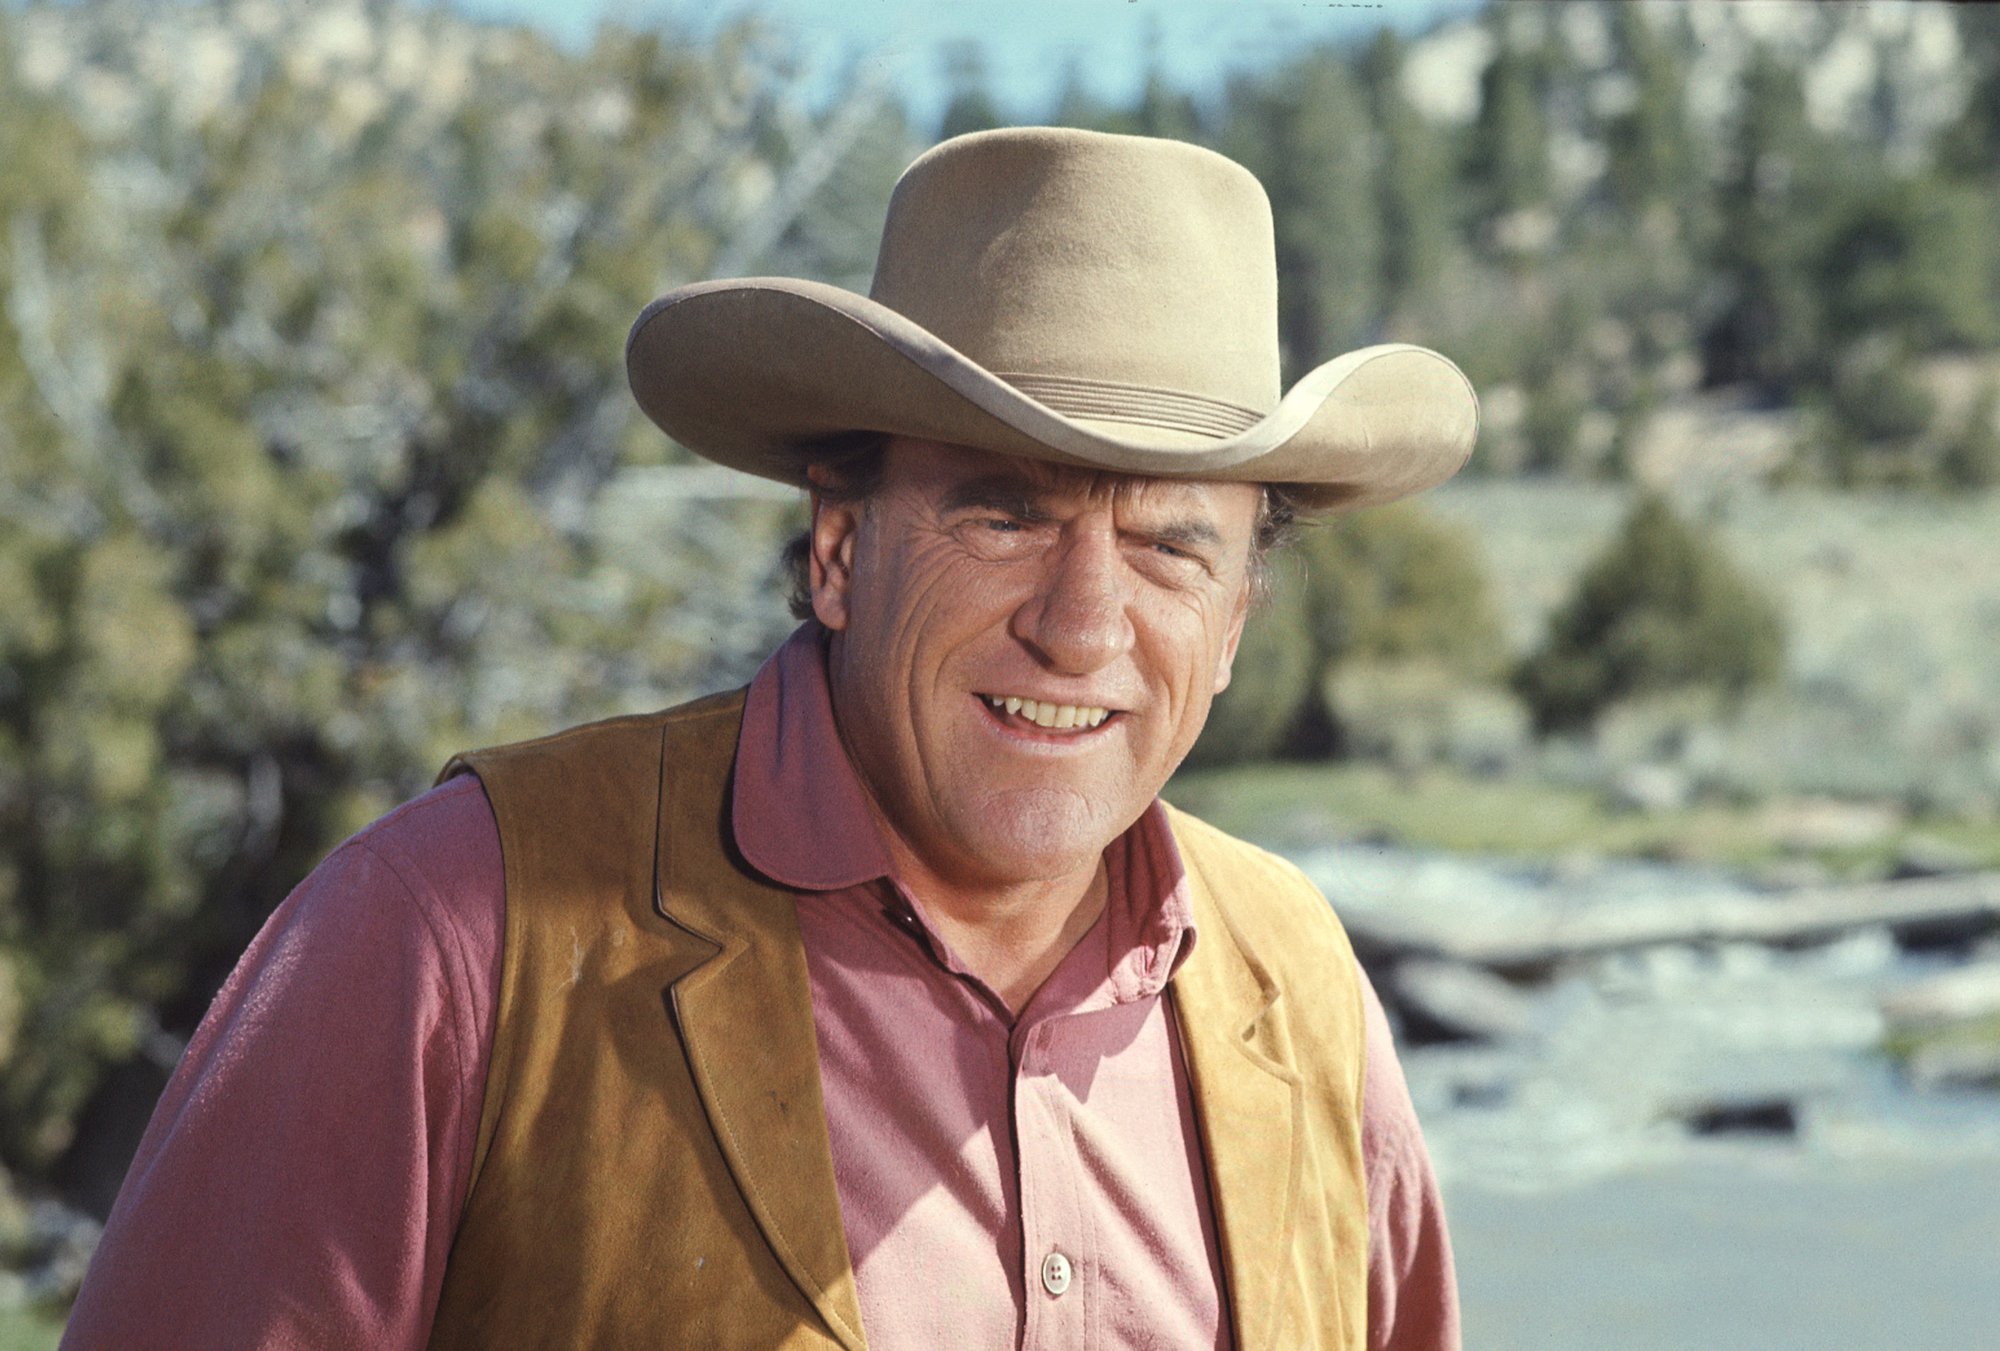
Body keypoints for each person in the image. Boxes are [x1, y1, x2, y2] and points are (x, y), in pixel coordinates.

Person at [64, 127, 1476, 1349]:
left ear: (1233, 624)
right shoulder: (450, 932)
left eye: (1172, 547)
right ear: (842, 551)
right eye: (1007, 514)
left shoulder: (1301, 989)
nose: (1084, 625)